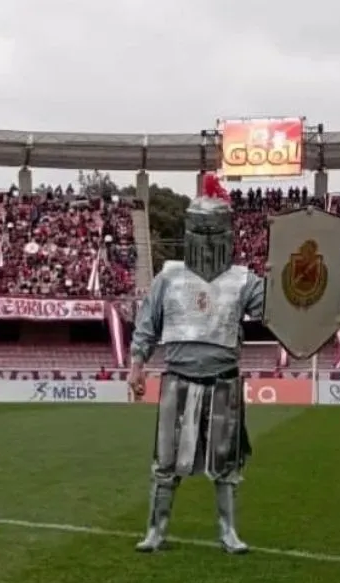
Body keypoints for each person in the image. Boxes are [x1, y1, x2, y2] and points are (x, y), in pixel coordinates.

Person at [128, 174, 264, 554]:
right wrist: (136, 366)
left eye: (212, 231)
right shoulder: (169, 276)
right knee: (166, 460)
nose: (205, 239)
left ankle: (227, 531)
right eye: (199, 231)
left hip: (224, 380)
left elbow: (277, 310)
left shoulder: (244, 280)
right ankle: (157, 531)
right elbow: (147, 324)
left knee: (226, 462)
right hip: (178, 378)